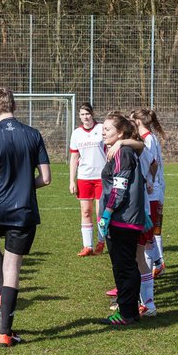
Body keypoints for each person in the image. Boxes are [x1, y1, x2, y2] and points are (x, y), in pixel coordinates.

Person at [0, 87, 51, 348]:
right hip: (23, 210)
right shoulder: (33, 134)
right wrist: (26, 185)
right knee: (13, 267)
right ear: (14, 107)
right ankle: (6, 332)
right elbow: (46, 178)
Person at [98, 111, 149, 326]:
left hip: (122, 219)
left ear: (120, 133)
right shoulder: (123, 149)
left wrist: (107, 213)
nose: (103, 133)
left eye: (107, 129)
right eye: (102, 129)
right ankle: (128, 309)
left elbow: (120, 187)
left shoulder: (123, 152)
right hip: (127, 217)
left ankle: (127, 313)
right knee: (126, 265)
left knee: (124, 266)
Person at [131, 107, 167, 279]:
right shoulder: (149, 137)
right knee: (150, 233)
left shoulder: (148, 140)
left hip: (152, 191)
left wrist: (149, 182)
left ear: (137, 122)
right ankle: (157, 264)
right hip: (155, 189)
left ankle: (153, 267)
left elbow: (152, 164)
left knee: (147, 235)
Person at [68, 103, 107, 257]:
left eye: (87, 113)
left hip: (101, 177)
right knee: (85, 211)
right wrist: (72, 180)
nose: (85, 117)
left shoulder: (102, 128)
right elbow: (74, 157)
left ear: (92, 114)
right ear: (79, 115)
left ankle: (101, 241)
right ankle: (87, 246)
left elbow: (110, 148)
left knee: (101, 211)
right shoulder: (76, 133)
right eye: (82, 114)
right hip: (84, 177)